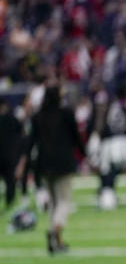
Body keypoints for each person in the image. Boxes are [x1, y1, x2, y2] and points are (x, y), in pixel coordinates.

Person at [17, 82, 84, 254]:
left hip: (44, 164)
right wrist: (85, 155)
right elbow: (76, 137)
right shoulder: (66, 114)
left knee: (53, 203)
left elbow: (31, 142)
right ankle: (55, 230)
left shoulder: (38, 116)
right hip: (63, 162)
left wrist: (23, 163)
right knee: (64, 201)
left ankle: (57, 242)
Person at [92, 84, 126, 209]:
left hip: (112, 140)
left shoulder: (109, 105)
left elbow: (101, 124)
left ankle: (107, 193)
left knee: (110, 168)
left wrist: (99, 138)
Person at [0, 101, 24, 210]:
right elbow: (21, 136)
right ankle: (10, 202)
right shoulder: (13, 120)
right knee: (10, 181)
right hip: (11, 155)